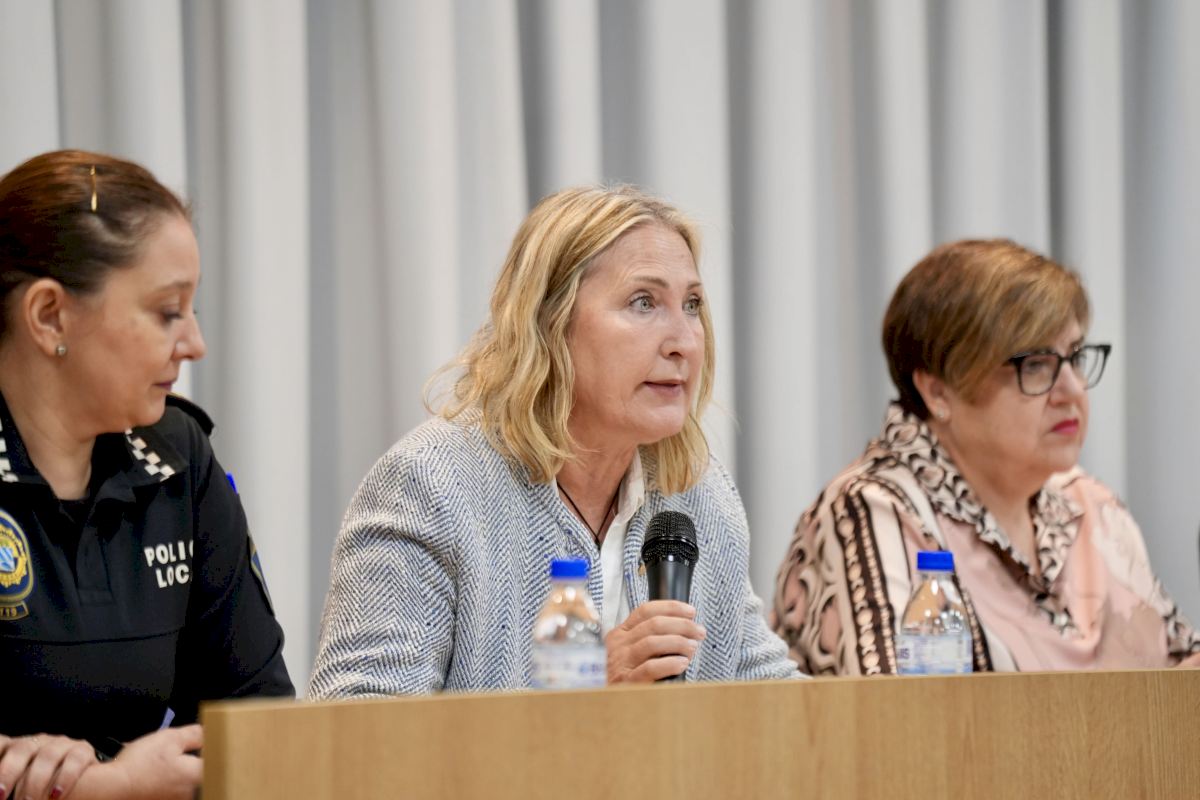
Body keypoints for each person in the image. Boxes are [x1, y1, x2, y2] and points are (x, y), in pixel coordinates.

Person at [309, 185, 799, 698]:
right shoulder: (431, 486)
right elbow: (359, 728)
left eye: (692, 305)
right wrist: (584, 692)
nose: (683, 341)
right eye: (643, 302)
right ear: (550, 323)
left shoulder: (700, 495)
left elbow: (774, 698)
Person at [0, 150, 293, 800]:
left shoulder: (179, 458)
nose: (195, 344)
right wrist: (96, 790)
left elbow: (258, 721)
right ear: (49, 316)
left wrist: (126, 781)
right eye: (167, 312)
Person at [772, 239, 1200, 675]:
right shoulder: (873, 508)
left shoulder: (1091, 505)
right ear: (938, 391)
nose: (1071, 390)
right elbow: (899, 712)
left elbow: (1183, 673)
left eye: (1074, 357)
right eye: (1035, 364)